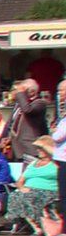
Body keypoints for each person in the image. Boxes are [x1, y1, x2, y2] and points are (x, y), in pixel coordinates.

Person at [4, 136, 59, 236]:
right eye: (38, 148)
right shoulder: (33, 163)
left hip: (49, 191)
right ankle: (37, 228)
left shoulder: (56, 163)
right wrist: (22, 188)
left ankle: (41, 227)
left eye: (41, 148)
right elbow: (20, 181)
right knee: (16, 195)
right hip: (29, 191)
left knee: (29, 197)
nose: (38, 150)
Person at [0, 79, 49, 161]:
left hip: (29, 148)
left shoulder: (40, 103)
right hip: (15, 148)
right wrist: (6, 138)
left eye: (20, 91)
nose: (17, 93)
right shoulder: (19, 105)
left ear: (32, 91)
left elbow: (27, 110)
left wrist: (21, 94)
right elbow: (11, 123)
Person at [50, 80, 66, 219]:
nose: (58, 94)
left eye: (61, 91)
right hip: (61, 157)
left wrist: (54, 131)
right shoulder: (61, 107)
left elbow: (58, 135)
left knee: (64, 194)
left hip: (64, 158)